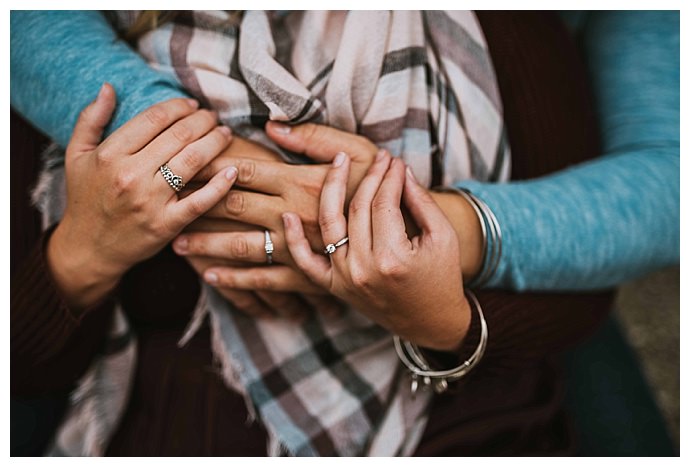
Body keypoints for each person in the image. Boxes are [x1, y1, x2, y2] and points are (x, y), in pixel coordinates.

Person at [10, 11, 678, 455]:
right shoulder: (90, 57)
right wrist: (198, 167)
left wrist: (439, 233)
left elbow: (652, 189)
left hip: (487, 423)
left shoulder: (524, 40)